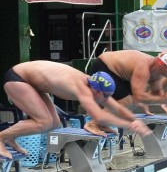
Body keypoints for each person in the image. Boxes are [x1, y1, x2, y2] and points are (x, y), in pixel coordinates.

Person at [1, 61, 152, 159]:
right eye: (105, 96)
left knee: (54, 124)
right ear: (97, 91)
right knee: (43, 122)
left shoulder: (94, 85)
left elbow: (116, 106)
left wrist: (134, 120)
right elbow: (99, 116)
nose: (107, 100)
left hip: (33, 82)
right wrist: (130, 125)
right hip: (17, 79)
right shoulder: (82, 89)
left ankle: (10, 137)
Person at [84, 50, 167, 135]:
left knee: (134, 101)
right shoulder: (144, 67)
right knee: (127, 100)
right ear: (162, 66)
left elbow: (157, 94)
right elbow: (140, 96)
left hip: (119, 75)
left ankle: (101, 123)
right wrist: (164, 99)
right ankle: (92, 124)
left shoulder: (157, 72)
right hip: (103, 66)